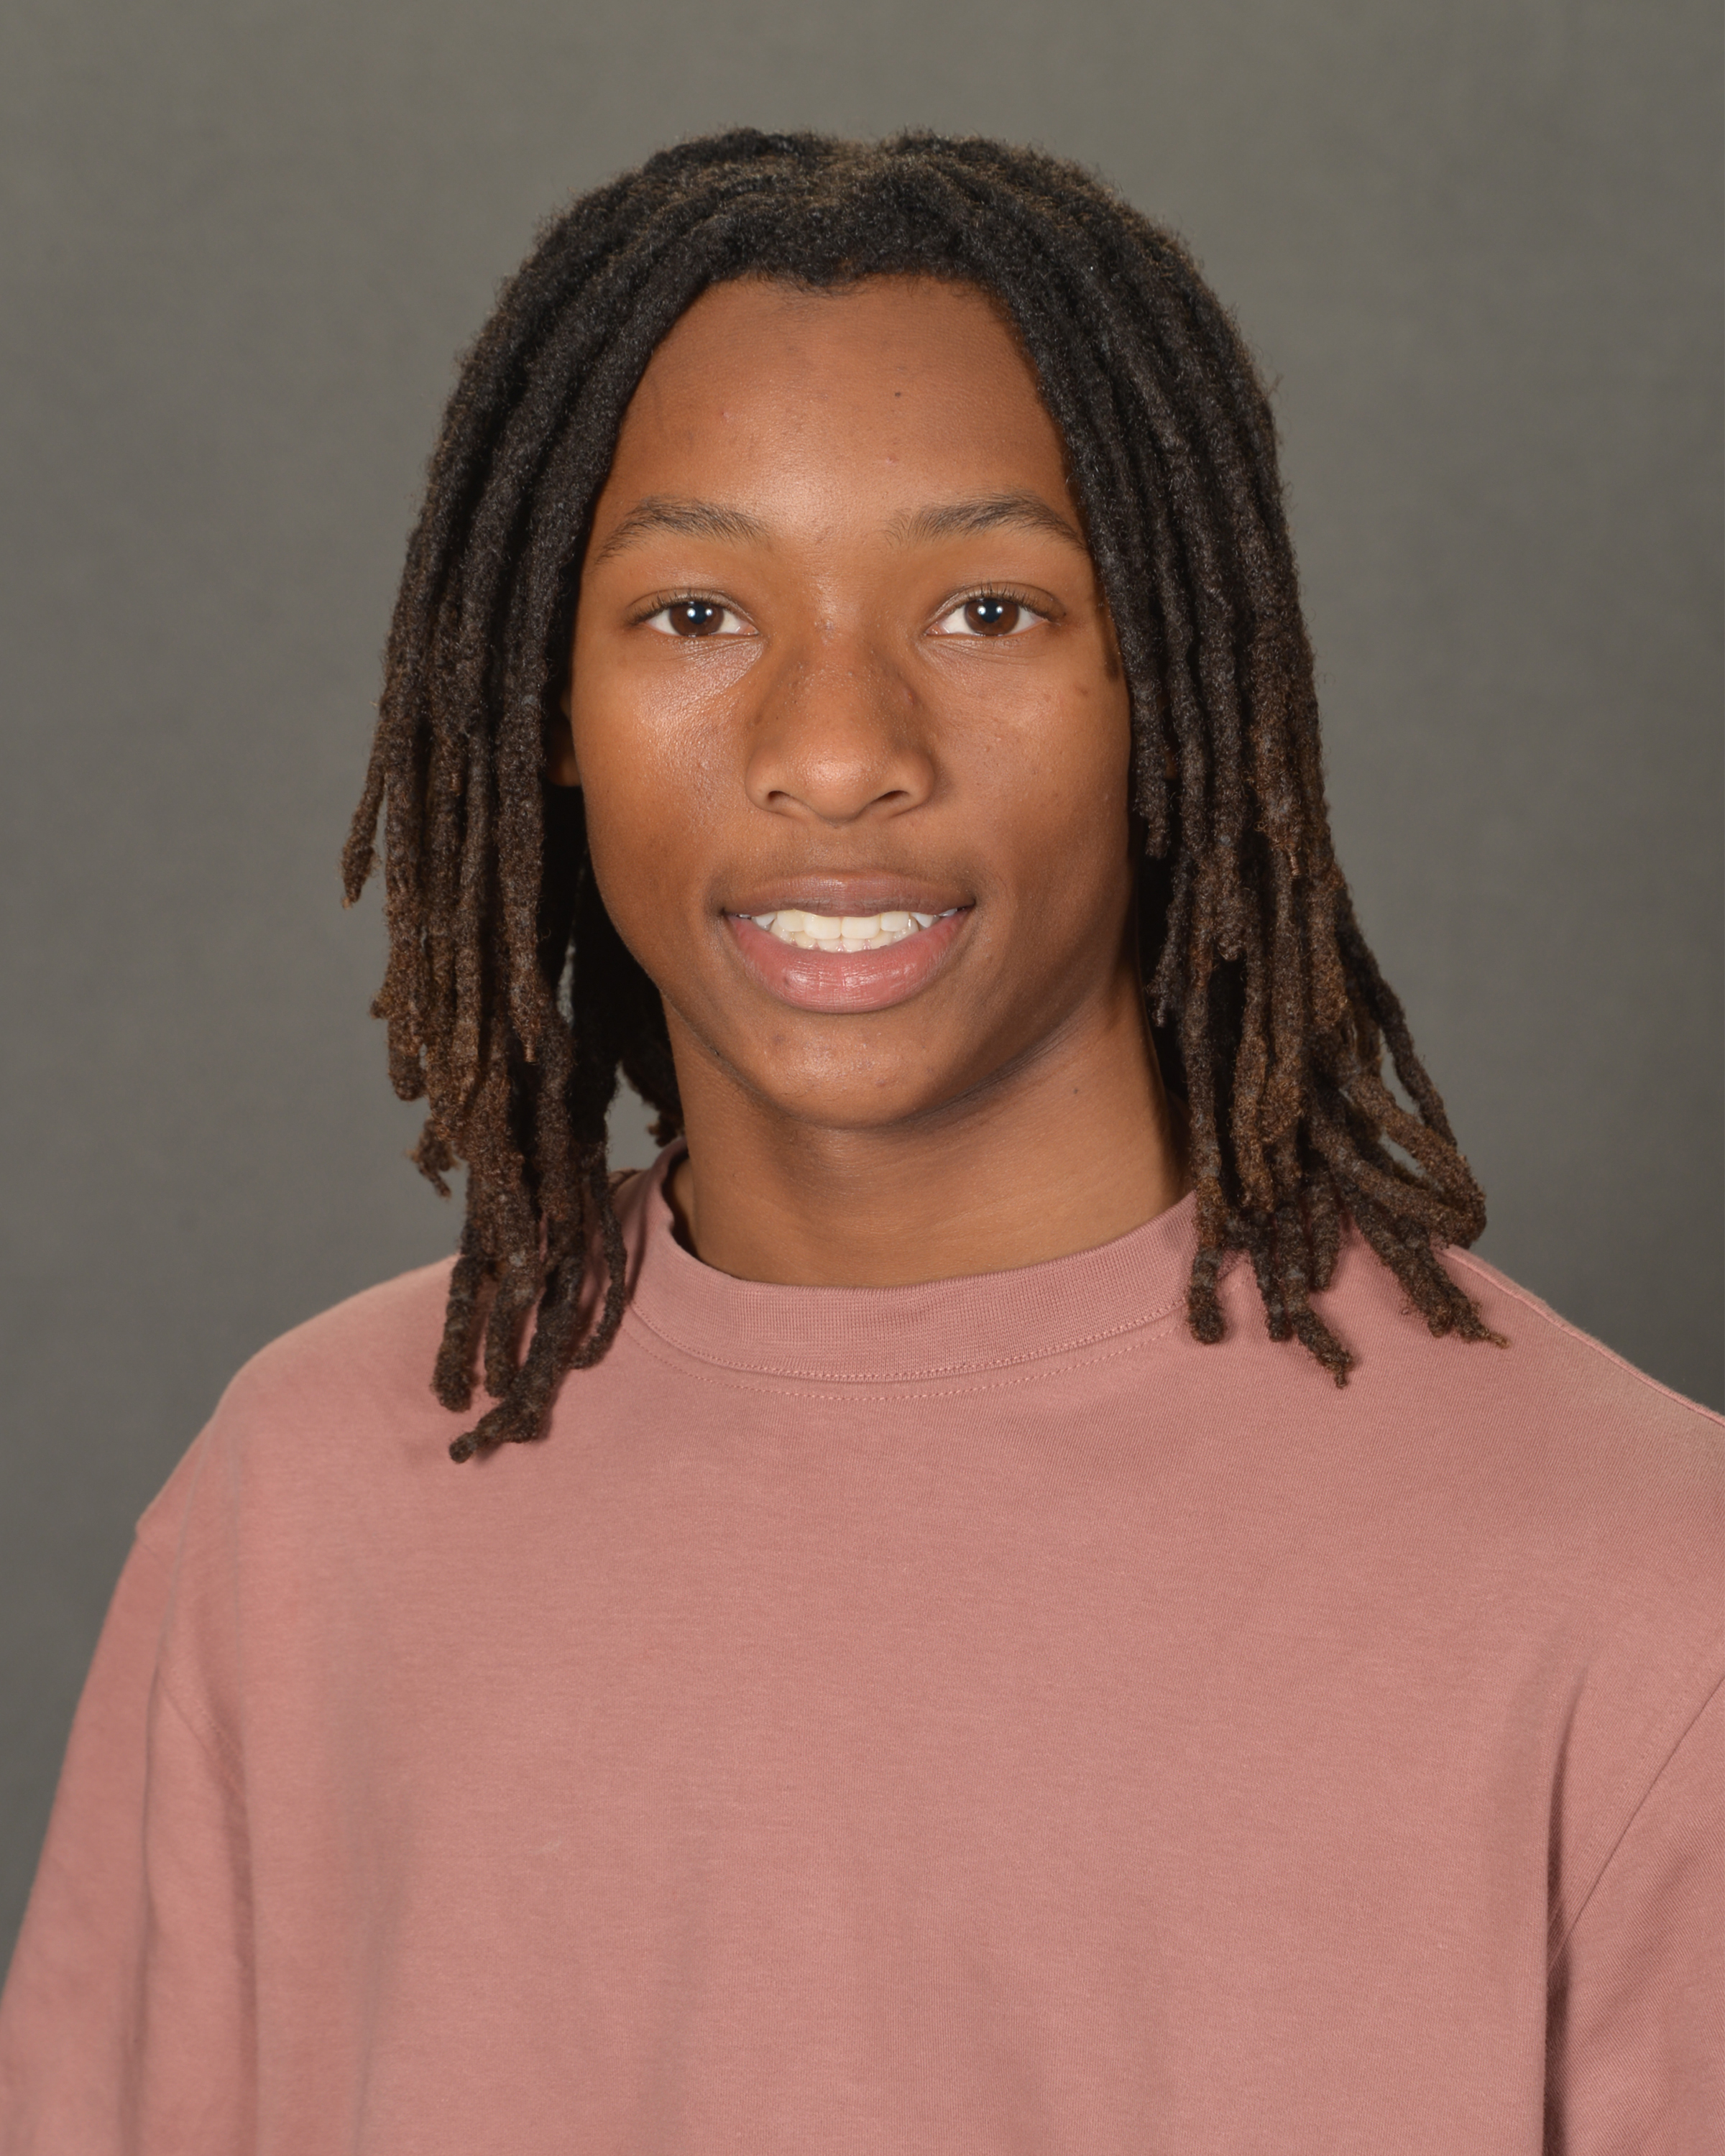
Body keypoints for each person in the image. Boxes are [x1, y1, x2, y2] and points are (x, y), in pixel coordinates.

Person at [1, 130, 1719, 2153]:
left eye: (990, 609)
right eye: (693, 612)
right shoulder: (296, 1524)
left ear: (1172, 686)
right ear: (541, 699)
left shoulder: (1642, 1589)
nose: (836, 755)